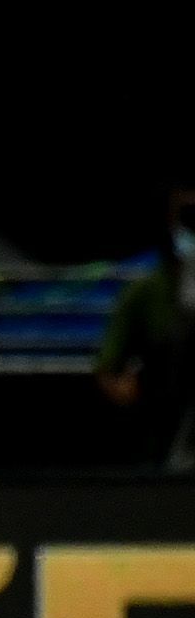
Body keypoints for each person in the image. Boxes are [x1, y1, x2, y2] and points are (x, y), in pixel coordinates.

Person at [96, 187, 195, 472]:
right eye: (190, 219)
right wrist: (127, 392)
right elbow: (109, 369)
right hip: (165, 430)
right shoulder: (145, 292)